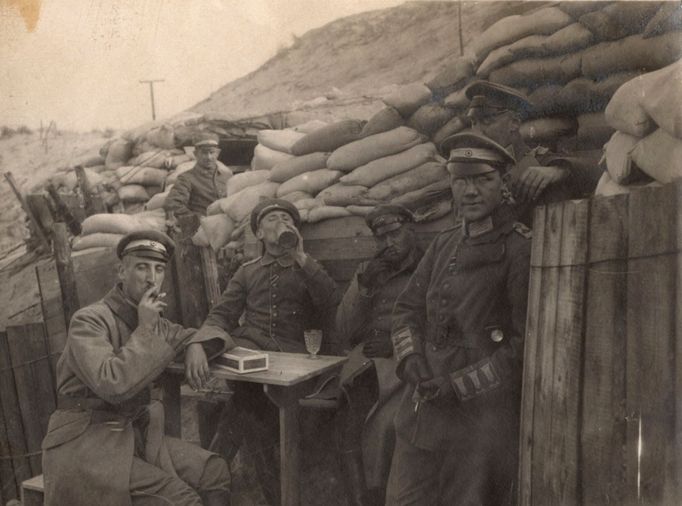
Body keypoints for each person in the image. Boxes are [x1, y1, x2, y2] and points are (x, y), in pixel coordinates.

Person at [385, 133, 532, 505]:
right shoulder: (443, 243)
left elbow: (523, 344)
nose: (470, 191)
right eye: (461, 180)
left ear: (503, 184)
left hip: (478, 422)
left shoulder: (519, 249)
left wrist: (457, 385)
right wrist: (412, 361)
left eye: (483, 180)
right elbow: (406, 311)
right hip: (420, 411)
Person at [41, 230, 232, 506]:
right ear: (121, 271)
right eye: (142, 267)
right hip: (86, 443)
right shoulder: (89, 320)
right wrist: (145, 328)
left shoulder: (157, 324)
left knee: (213, 471)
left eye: (159, 269)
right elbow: (112, 384)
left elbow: (212, 333)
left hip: (134, 435)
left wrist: (198, 344)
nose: (151, 278)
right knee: (182, 500)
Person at [185, 197, 338, 505]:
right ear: (258, 233)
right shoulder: (247, 271)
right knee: (251, 398)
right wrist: (199, 343)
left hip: (294, 365)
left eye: (287, 218)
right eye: (272, 219)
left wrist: (302, 258)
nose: (282, 223)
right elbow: (222, 314)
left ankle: (210, 477)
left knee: (247, 403)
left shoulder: (308, 267)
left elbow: (331, 303)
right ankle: (272, 495)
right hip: (252, 356)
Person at [334, 204, 424, 506]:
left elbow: (440, 321)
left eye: (395, 234)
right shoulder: (369, 270)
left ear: (411, 230)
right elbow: (345, 329)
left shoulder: (428, 265)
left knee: (385, 428)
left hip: (405, 365)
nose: (389, 244)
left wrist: (397, 344)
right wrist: (365, 286)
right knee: (347, 429)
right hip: (364, 366)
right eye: (381, 238)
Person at [464, 79, 583, 225]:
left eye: (487, 121)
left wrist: (562, 169)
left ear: (514, 123)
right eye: (473, 122)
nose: (477, 132)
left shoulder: (542, 166)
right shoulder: (470, 171)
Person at [163, 132, 232, 219]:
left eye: (212, 152)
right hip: (201, 228)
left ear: (217, 153)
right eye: (204, 153)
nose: (208, 157)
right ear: (195, 154)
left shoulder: (227, 176)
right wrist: (197, 219)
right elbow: (173, 205)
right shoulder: (186, 178)